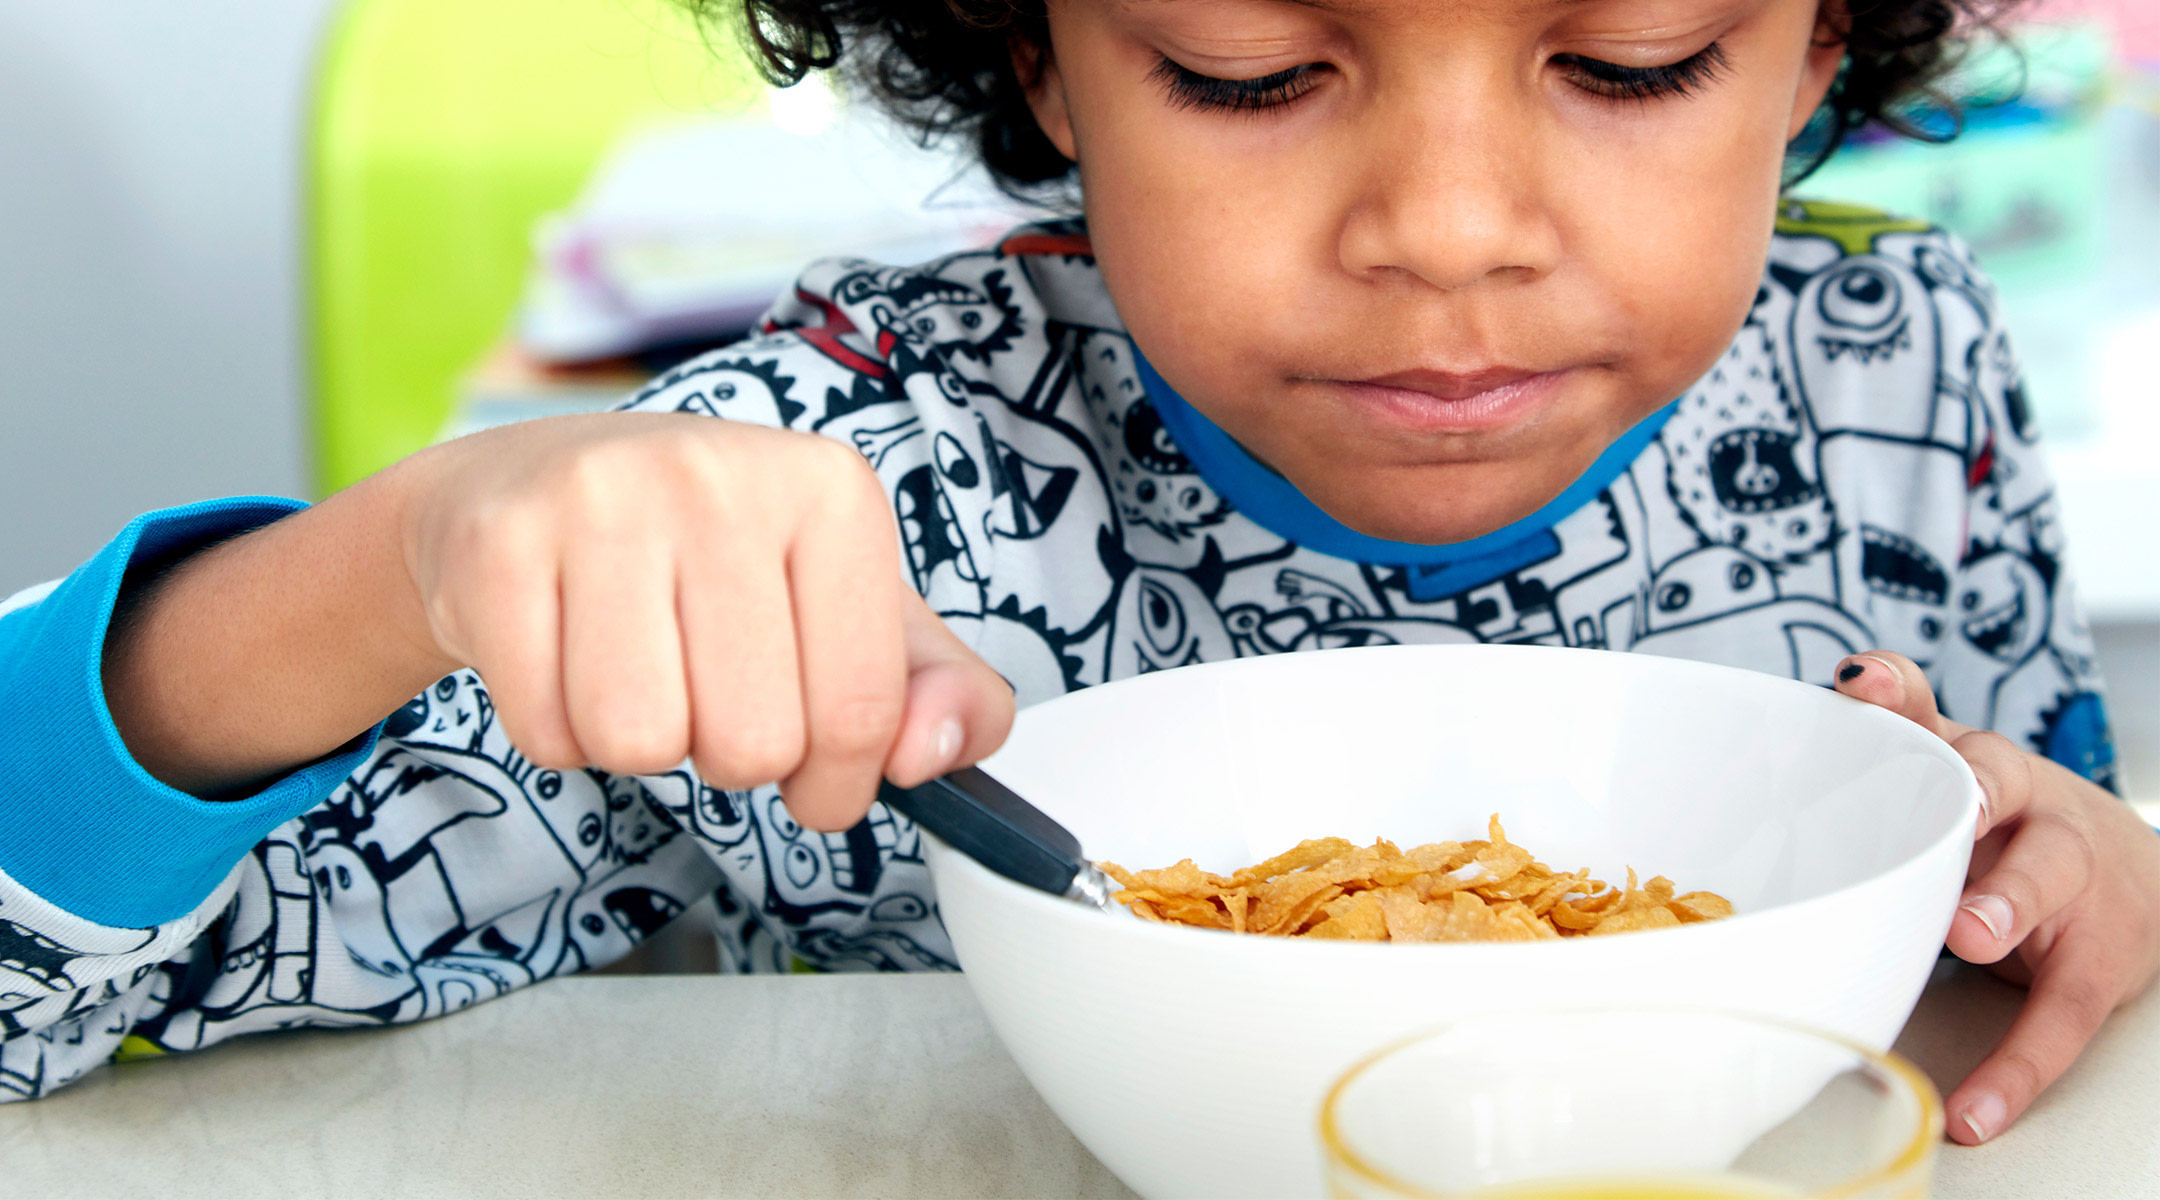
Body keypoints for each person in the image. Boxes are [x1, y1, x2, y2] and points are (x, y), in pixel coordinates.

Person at [0, 0, 2151, 1150]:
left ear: (1818, 51)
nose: (1451, 227)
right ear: (1034, 47)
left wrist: (2094, 873)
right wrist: (406, 554)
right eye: (1252, 73)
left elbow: (2030, 893)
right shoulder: (824, 480)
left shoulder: (1900, 382)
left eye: (1633, 61)